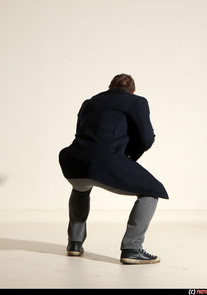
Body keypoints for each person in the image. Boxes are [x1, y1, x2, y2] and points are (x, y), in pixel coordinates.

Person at [58, 73, 169, 264]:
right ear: (132, 91)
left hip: (74, 162)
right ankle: (132, 248)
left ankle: (74, 243)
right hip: (105, 162)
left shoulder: (90, 102)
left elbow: (83, 133)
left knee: (80, 188)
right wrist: (127, 158)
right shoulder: (137, 102)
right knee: (152, 191)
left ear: (109, 88)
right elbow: (146, 139)